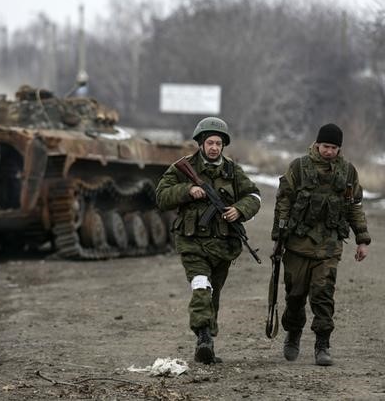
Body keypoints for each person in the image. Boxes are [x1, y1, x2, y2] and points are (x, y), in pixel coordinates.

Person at [156, 117, 261, 364]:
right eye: (210, 142)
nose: (214, 147)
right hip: (192, 242)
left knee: (213, 294)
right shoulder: (183, 167)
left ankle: (208, 340)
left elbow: (255, 195)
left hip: (223, 245)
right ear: (201, 143)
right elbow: (161, 196)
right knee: (201, 286)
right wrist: (186, 191)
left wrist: (240, 209)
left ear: (223, 145)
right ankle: (203, 337)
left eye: (218, 143)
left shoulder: (233, 171)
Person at [270, 123, 371, 366]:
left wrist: (362, 239)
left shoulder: (347, 172)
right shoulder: (299, 167)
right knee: (294, 295)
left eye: (334, 147)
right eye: (326, 146)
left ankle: (322, 344)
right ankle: (293, 334)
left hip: (329, 245)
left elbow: (354, 207)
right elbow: (283, 201)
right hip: (297, 244)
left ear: (339, 148)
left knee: (323, 294)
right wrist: (279, 236)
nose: (329, 151)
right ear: (317, 144)